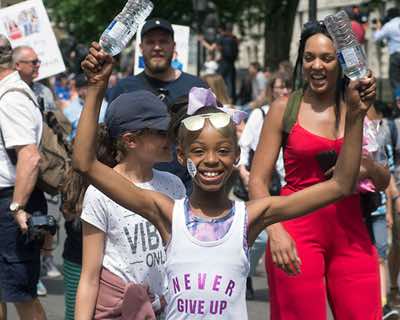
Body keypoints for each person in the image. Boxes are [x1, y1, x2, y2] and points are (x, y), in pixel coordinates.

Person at [74, 41, 374, 319]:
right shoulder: (167, 213)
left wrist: (356, 116)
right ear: (182, 157)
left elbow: (340, 185)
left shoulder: (251, 217)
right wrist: (97, 88)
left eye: (223, 150)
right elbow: (85, 162)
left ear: (236, 159)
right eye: (199, 151)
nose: (211, 160)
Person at [249, 20, 388, 320]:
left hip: (352, 232)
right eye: (309, 57)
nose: (316, 66)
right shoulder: (283, 108)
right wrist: (275, 231)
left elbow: (384, 178)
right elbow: (258, 181)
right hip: (295, 228)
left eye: (326, 58)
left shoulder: (362, 106)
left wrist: (366, 167)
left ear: (340, 62)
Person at [75, 90, 186, 320]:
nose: (170, 139)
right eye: (160, 133)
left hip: (168, 311)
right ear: (130, 140)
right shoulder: (99, 194)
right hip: (120, 312)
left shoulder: (174, 185)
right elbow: (89, 277)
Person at [109, 18, 207, 192]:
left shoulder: (196, 88)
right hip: (134, 192)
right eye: (150, 42)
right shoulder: (123, 88)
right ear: (141, 48)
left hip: (188, 191)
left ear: (173, 46)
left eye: (163, 41)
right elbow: (111, 143)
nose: (157, 47)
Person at [0, 34, 46, 320]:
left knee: (21, 293)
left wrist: (17, 207)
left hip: (10, 203)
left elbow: (30, 157)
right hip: (8, 201)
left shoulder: (11, 98)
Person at [238, 71, 292, 299]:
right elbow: (243, 145)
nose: (283, 91)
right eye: (279, 87)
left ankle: (280, 281)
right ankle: (243, 273)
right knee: (260, 236)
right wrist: (244, 172)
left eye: (286, 87)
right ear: (272, 89)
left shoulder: (295, 114)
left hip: (283, 183)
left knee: (282, 235)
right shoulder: (260, 114)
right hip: (258, 182)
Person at [12, 45, 61, 297]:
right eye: (33, 62)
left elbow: (58, 125)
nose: (38, 66)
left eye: (39, 61)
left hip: (41, 168)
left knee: (41, 223)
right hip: (16, 170)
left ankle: (37, 272)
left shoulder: (43, 91)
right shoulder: (9, 91)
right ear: (17, 65)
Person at [60, 125, 122, 320]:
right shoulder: (113, 185)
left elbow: (67, 213)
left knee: (74, 311)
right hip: (107, 264)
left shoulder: (72, 179)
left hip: (74, 258)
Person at [63, 73, 107, 142]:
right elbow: (67, 137)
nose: (87, 89)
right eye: (84, 87)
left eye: (89, 86)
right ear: (77, 89)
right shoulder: (68, 110)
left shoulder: (105, 105)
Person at [201, 23, 239, 102]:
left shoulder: (221, 38)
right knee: (230, 84)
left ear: (221, 30)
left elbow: (211, 48)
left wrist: (202, 41)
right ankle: (230, 100)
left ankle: (217, 98)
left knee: (217, 81)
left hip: (224, 64)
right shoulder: (233, 38)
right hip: (231, 64)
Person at [373, 8, 400, 102]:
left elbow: (377, 38)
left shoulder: (389, 26)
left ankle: (398, 102)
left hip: (396, 55)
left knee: (395, 81)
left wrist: (378, 27)